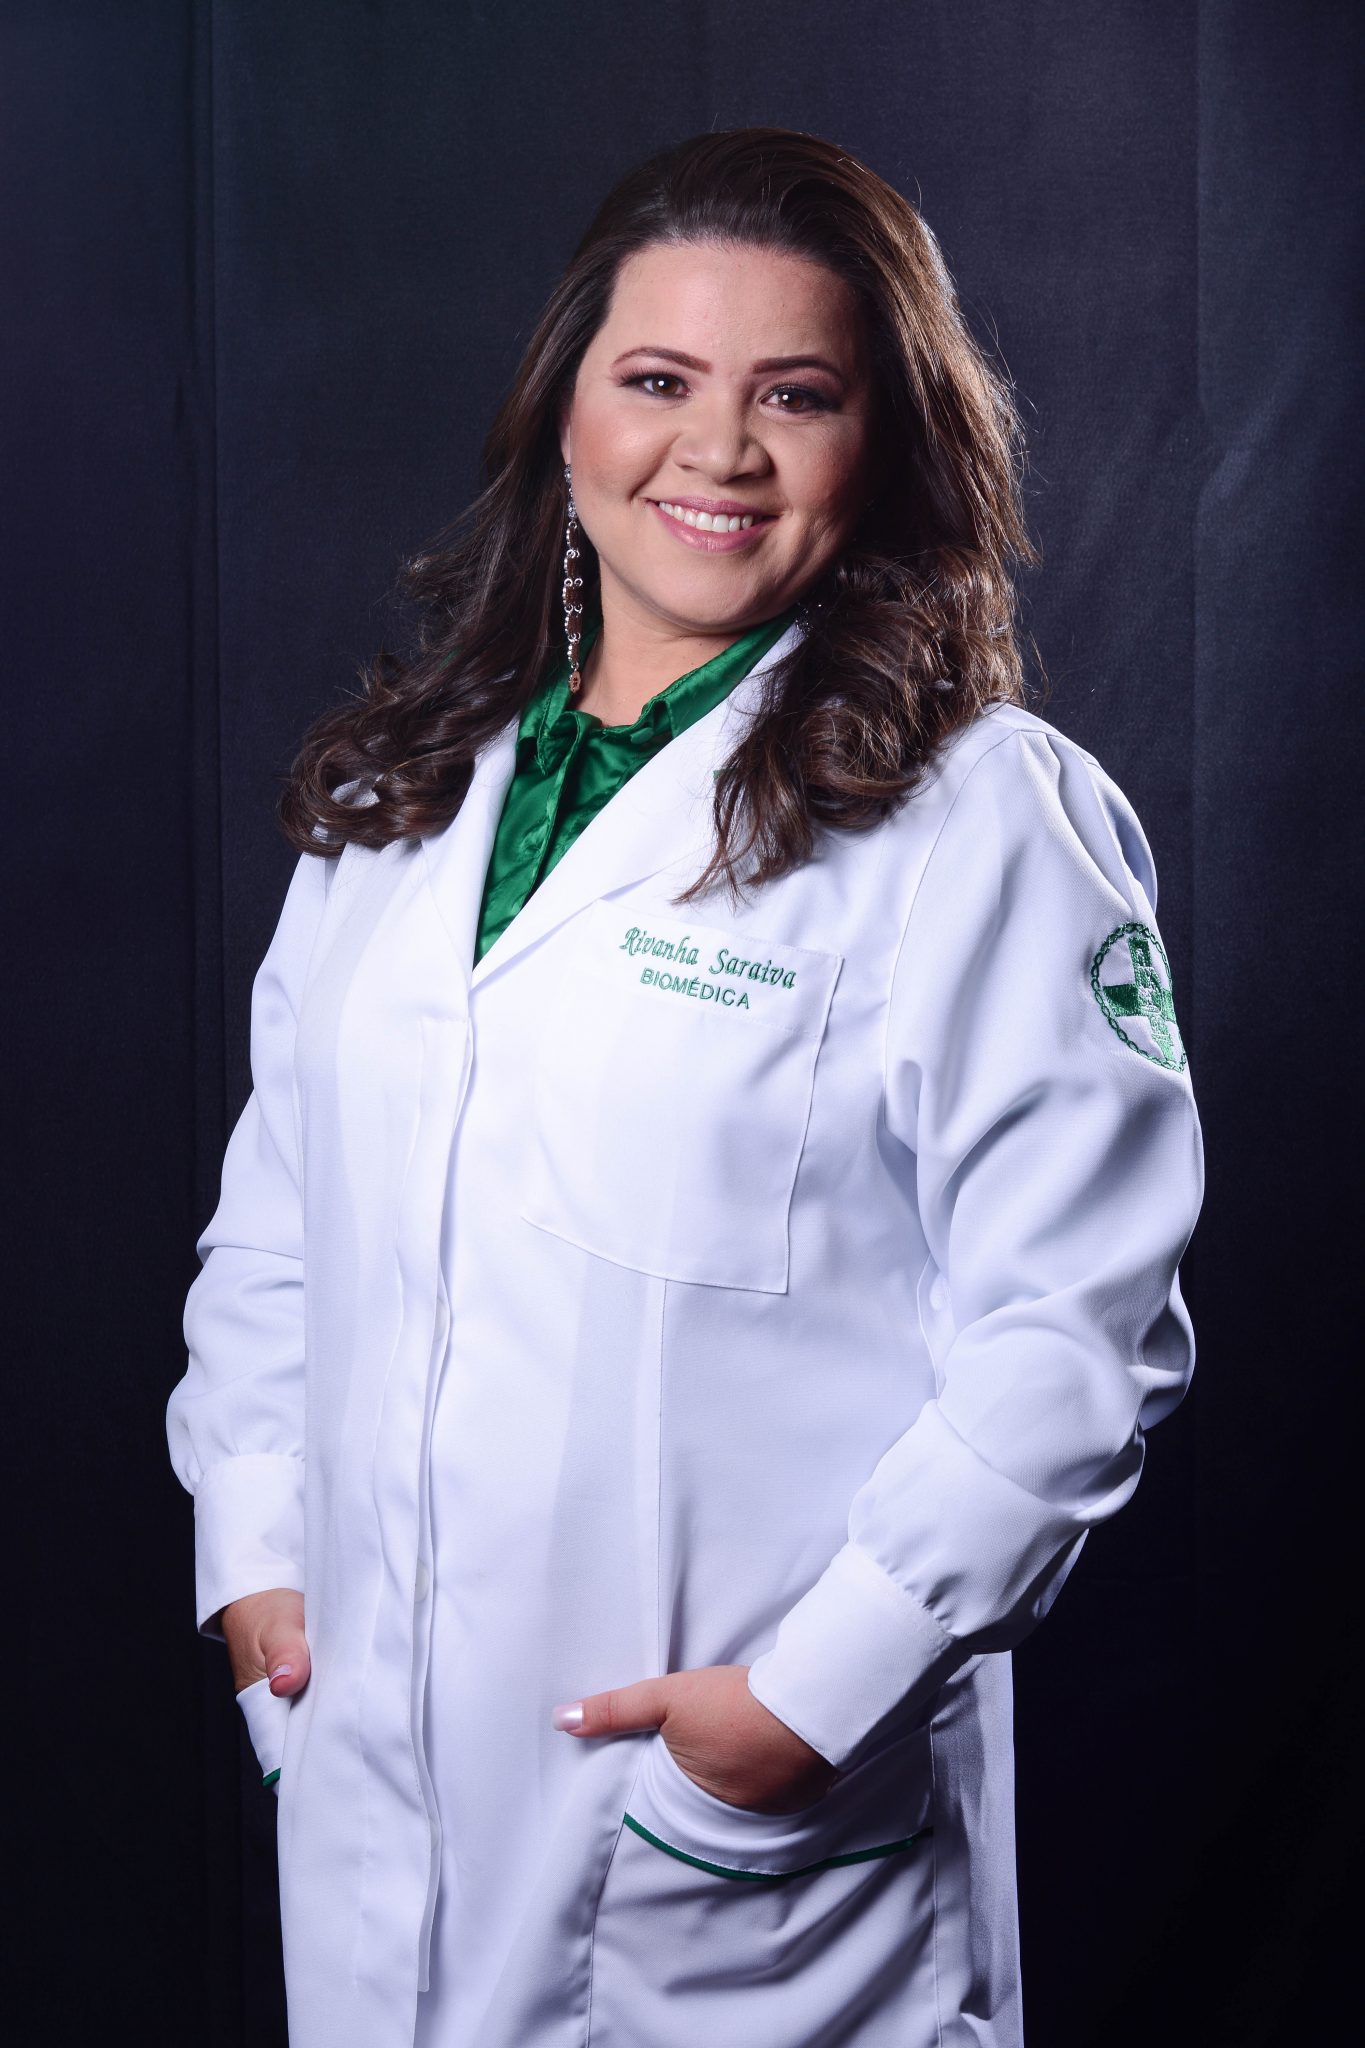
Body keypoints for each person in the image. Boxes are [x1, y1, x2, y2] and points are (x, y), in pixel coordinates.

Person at [166, 126, 1204, 2048]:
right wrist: (260, 1556)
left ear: (882, 443)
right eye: (657, 380)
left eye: (794, 396)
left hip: (739, 1854)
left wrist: (812, 1696)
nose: (716, 452)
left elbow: (1074, 1334)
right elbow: (281, 1233)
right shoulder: (404, 797)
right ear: (562, 416)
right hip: (381, 1787)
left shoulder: (980, 817)